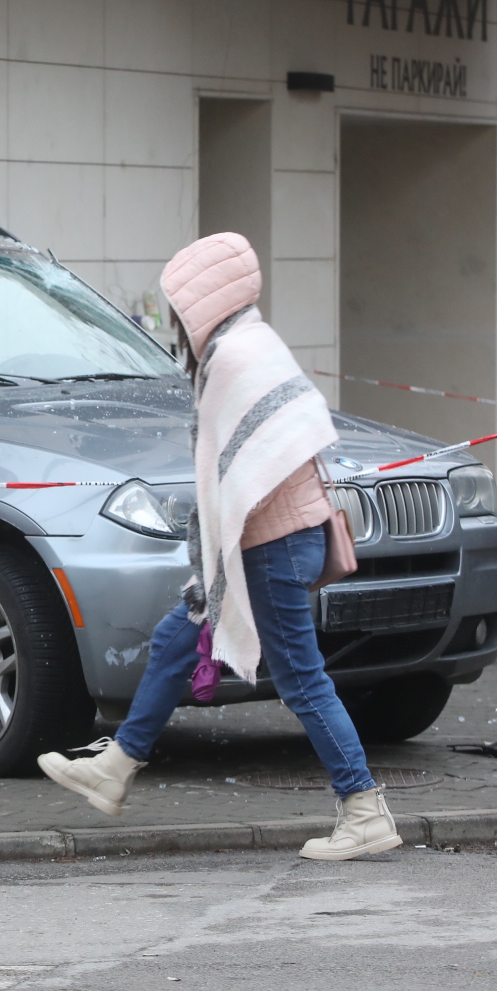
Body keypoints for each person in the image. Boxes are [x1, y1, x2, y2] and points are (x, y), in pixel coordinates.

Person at [38, 232, 401, 861]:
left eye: (177, 304)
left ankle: (364, 808)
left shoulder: (232, 360)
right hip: (288, 536)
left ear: (200, 303)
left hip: (271, 544)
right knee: (178, 639)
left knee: (303, 682)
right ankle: (117, 766)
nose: (173, 318)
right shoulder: (256, 343)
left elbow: (231, 476)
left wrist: (213, 563)